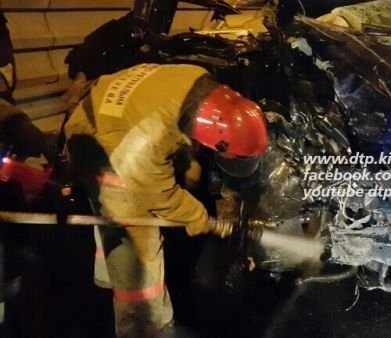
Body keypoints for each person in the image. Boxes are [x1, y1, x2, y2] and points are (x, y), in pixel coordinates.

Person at [64, 63, 268, 337]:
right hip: (99, 140)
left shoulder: (199, 79)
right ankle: (144, 322)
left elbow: (172, 118)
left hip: (124, 118)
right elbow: (159, 195)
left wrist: (188, 157)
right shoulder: (139, 146)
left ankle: (108, 277)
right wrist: (198, 218)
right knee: (137, 233)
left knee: (164, 186)